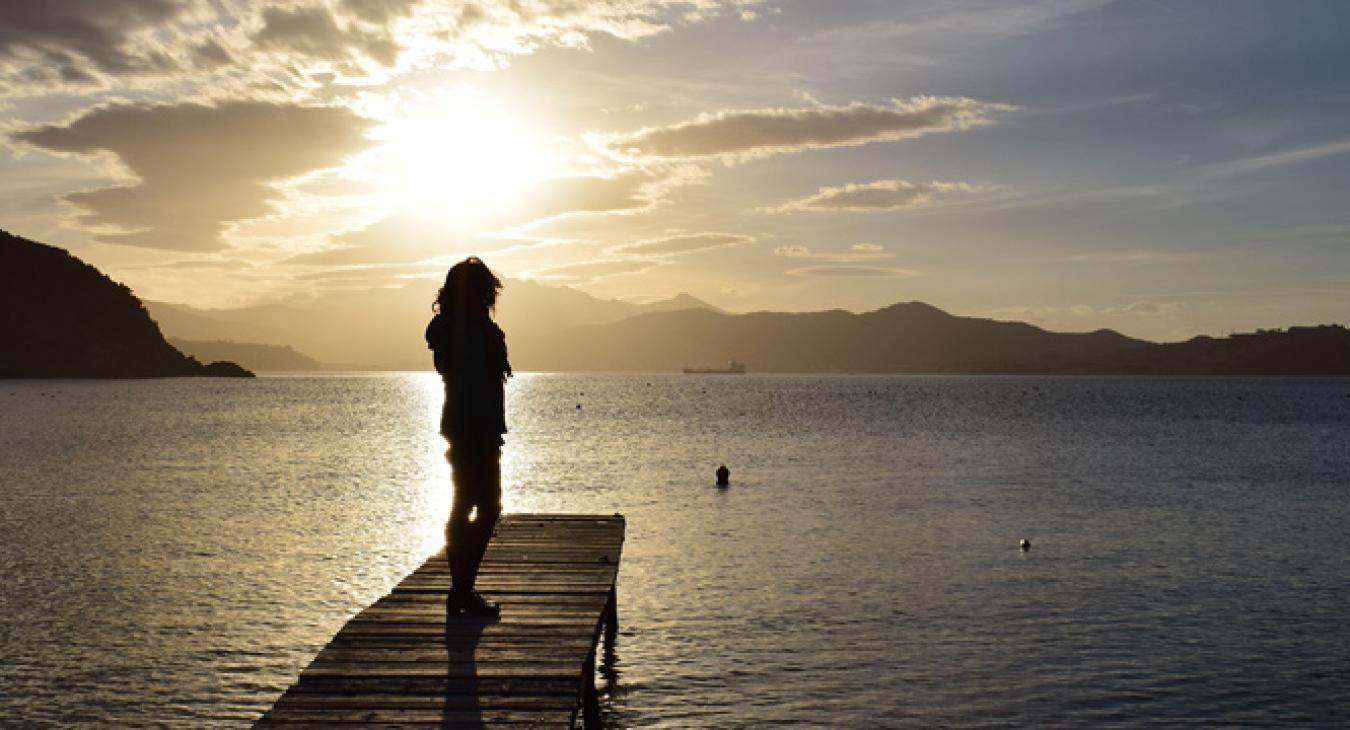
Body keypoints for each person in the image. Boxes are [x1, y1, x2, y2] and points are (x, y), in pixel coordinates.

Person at [426, 257, 512, 617]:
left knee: (466, 505)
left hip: (468, 425)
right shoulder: (468, 328)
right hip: (474, 426)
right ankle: (462, 590)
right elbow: (474, 375)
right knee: (484, 507)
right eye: (487, 289)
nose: (492, 295)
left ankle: (461, 589)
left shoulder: (453, 327)